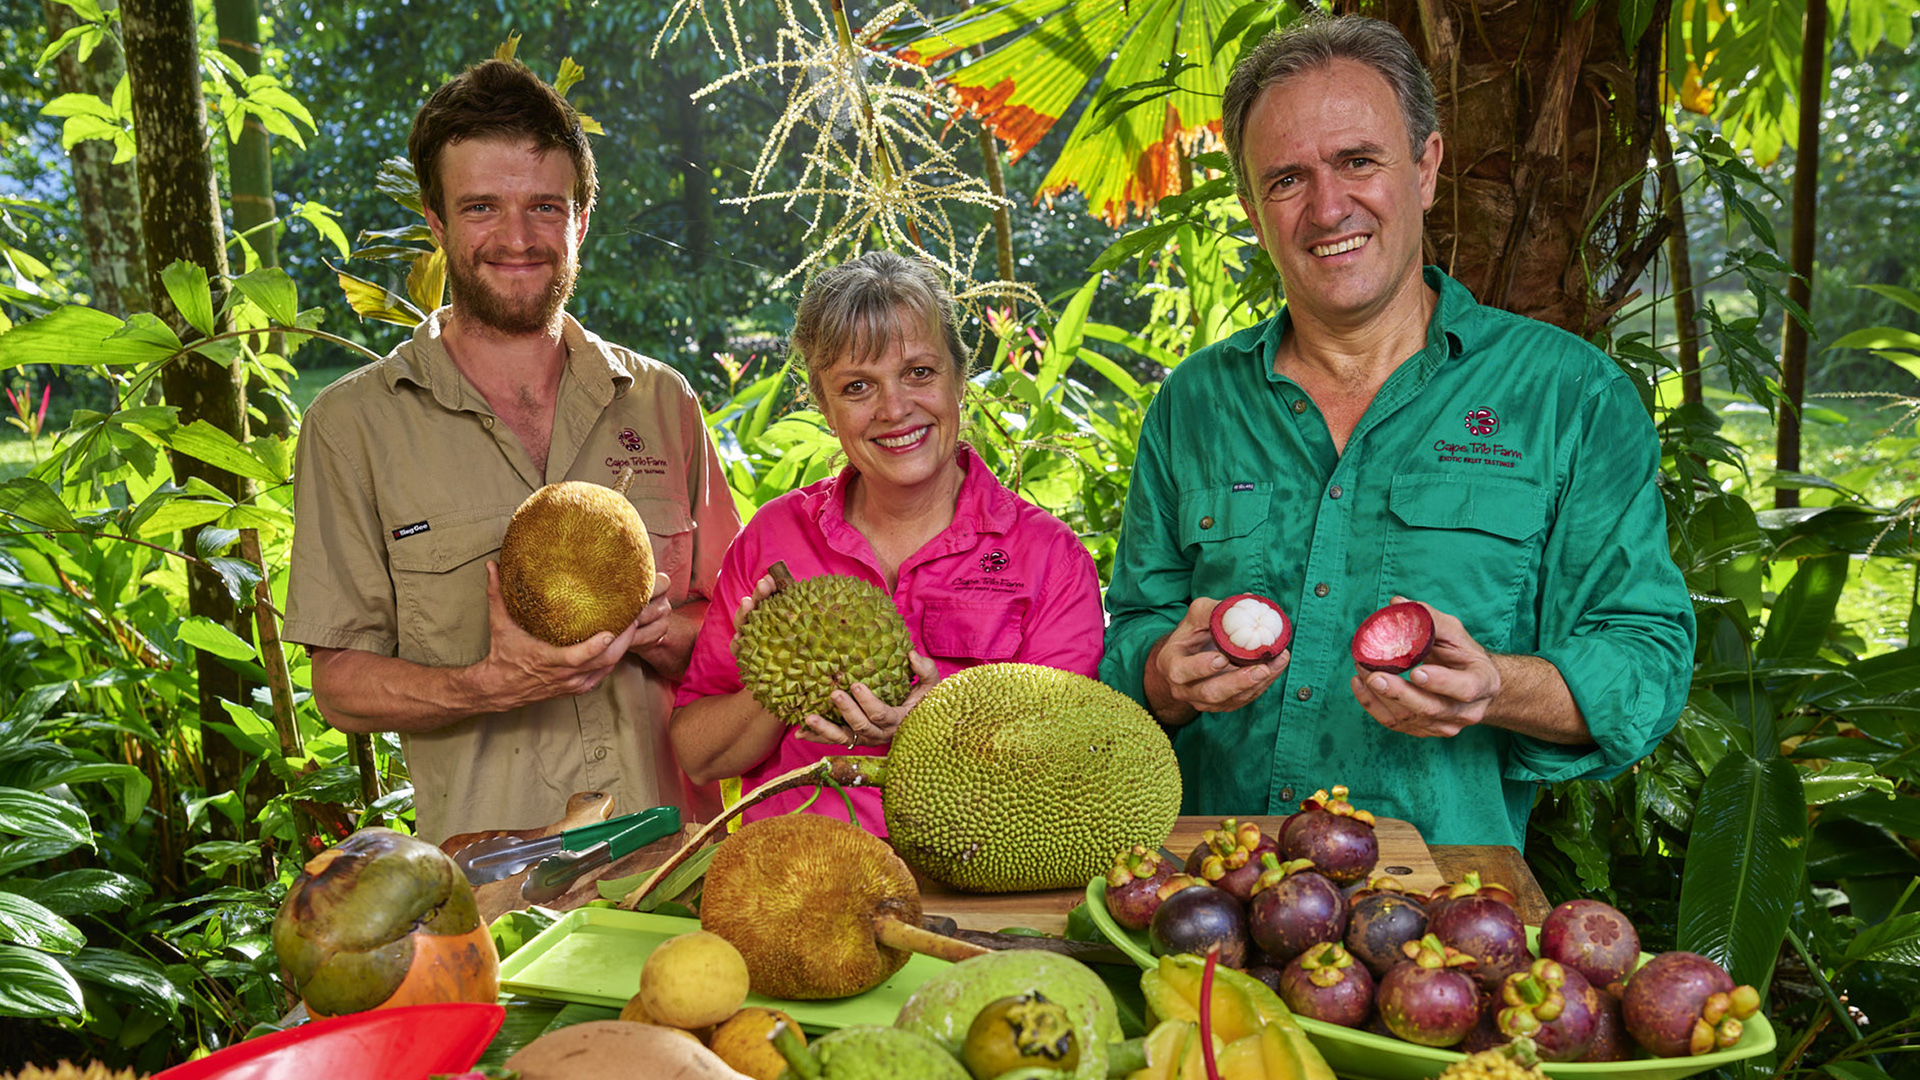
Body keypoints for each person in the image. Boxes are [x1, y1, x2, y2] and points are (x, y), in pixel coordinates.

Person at [1099, 15, 1695, 849]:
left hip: (1444, 927)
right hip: (1213, 893)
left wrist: (1497, 687)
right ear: (1251, 206)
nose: (1328, 206)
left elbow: (1646, 661)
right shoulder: (1195, 403)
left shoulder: (1571, 396)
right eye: (1286, 179)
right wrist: (1164, 673)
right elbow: (1130, 632)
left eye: (1358, 161)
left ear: (1425, 167)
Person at [283, 59, 740, 844]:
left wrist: (656, 631)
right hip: (492, 893)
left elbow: (732, 640)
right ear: (437, 221)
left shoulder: (665, 402)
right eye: (482, 207)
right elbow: (341, 689)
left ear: (581, 220)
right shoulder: (352, 427)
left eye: (544, 207)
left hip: (674, 871)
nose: (518, 238)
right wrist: (488, 685)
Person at [670, 251, 1104, 833]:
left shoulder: (1047, 557)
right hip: (795, 874)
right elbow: (698, 756)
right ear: (824, 406)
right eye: (857, 387)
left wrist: (943, 726)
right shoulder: (774, 538)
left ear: (959, 377)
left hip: (974, 892)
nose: (895, 409)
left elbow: (1075, 763)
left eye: (920, 373)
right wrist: (785, 674)